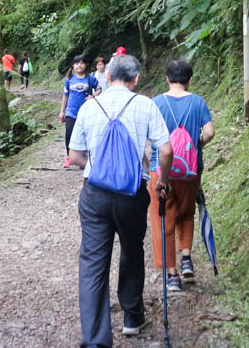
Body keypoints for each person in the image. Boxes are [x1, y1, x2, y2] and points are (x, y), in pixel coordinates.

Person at [69, 54, 172, 345]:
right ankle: (132, 316)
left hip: (95, 195)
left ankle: (95, 339)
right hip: (132, 193)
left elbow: (75, 155)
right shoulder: (145, 105)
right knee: (131, 249)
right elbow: (165, 151)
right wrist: (162, 181)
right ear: (136, 79)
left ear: (108, 75)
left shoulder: (90, 107)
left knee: (92, 261)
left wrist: (101, 167)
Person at [147, 59, 214, 293]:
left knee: (164, 219)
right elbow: (209, 132)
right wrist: (194, 145)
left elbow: (148, 136)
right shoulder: (198, 102)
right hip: (190, 171)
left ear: (167, 78)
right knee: (186, 213)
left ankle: (172, 275)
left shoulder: (156, 103)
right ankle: (187, 259)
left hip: (161, 170)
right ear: (189, 79)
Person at [60, 55, 100, 169]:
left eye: (82, 63)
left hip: (86, 112)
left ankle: (83, 157)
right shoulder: (69, 79)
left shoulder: (90, 78)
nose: (79, 65)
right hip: (71, 112)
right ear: (73, 66)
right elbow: (65, 96)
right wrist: (62, 111)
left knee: (86, 135)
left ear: (85, 65)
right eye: (77, 63)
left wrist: (93, 96)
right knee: (69, 134)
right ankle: (69, 156)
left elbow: (99, 88)